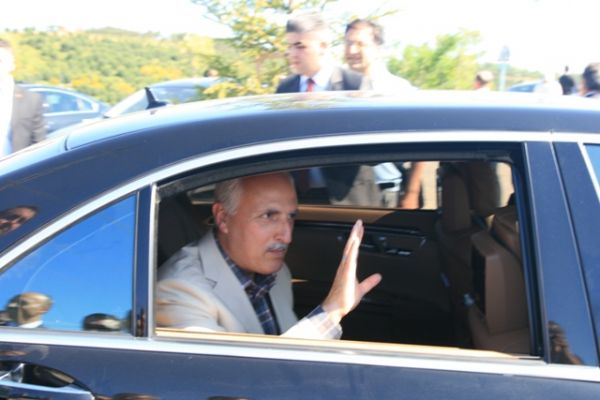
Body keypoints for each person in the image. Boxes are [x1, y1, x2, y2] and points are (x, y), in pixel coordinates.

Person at [156, 172, 382, 339]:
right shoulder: (178, 292)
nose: (287, 236)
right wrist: (330, 312)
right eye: (269, 216)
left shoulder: (277, 273)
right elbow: (234, 381)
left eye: (290, 217)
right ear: (223, 218)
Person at [276, 12, 367, 93]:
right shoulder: (285, 88)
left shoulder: (355, 84)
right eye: (290, 46)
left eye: (300, 47)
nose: (292, 54)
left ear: (323, 46)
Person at [0, 39, 46, 156]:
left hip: (16, 166)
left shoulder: (31, 101)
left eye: (0, 61)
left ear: (12, 65)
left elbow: (38, 145)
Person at [344, 19, 413, 92]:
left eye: (361, 44)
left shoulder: (399, 90)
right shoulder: (337, 89)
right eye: (349, 44)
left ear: (378, 48)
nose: (352, 51)